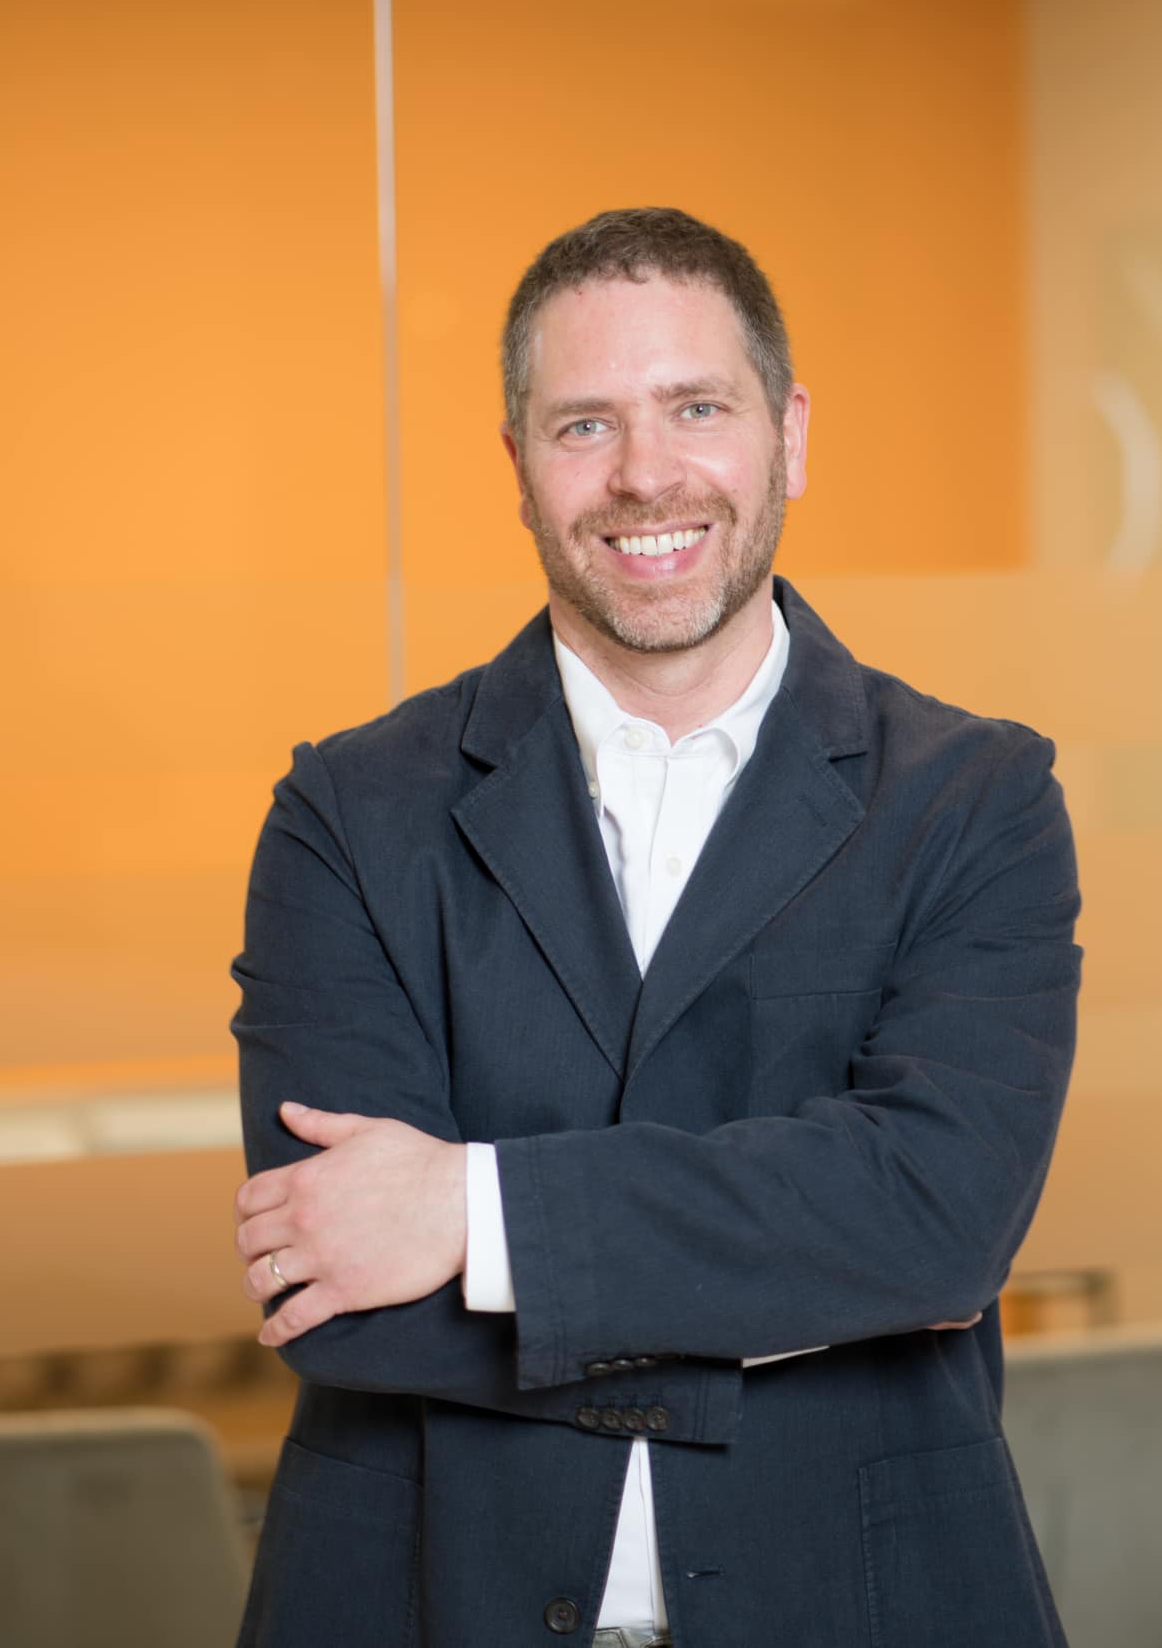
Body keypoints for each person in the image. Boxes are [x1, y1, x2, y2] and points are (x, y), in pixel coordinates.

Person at [227, 206, 1078, 1647]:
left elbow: (939, 1223)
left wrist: (471, 1218)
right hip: (422, 1603)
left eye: (697, 407)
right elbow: (347, 1290)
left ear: (789, 435)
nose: (646, 476)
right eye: (583, 427)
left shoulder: (976, 801)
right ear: (517, 470)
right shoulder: (348, 811)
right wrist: (814, 1281)